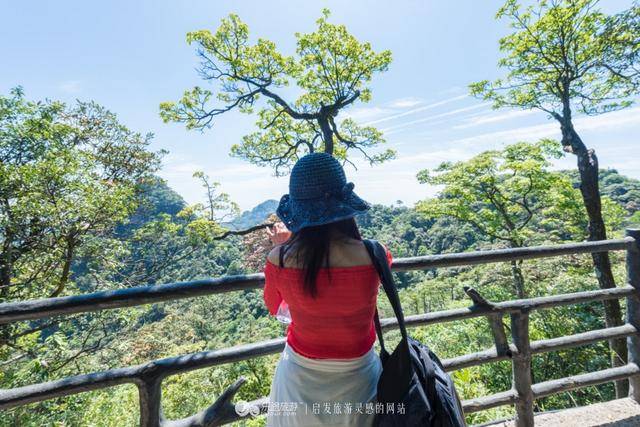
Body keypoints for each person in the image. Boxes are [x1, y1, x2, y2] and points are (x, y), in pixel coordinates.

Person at [262, 152, 393, 426]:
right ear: (344, 205)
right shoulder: (376, 253)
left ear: (298, 209)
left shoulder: (280, 258)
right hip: (361, 378)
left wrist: (283, 245)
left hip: (299, 379)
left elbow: (276, 307)